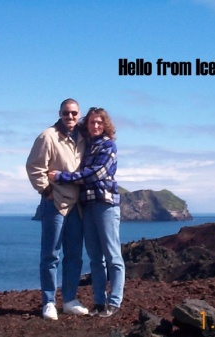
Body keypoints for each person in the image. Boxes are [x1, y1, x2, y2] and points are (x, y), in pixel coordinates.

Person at [48, 107, 125, 318]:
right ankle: (100, 302)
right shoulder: (87, 146)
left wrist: (62, 177)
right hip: (87, 206)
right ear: (87, 124)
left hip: (105, 204)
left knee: (112, 255)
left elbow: (95, 174)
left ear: (105, 124)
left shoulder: (109, 145)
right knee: (95, 258)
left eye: (99, 122)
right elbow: (68, 128)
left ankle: (115, 302)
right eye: (92, 122)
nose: (96, 125)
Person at [26, 98, 89, 320]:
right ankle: (49, 302)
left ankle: (70, 299)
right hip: (55, 203)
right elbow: (34, 167)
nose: (70, 117)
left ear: (79, 114)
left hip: (77, 204)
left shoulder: (83, 136)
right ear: (60, 113)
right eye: (66, 113)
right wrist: (46, 192)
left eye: (73, 113)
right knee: (51, 254)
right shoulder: (48, 136)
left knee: (74, 255)